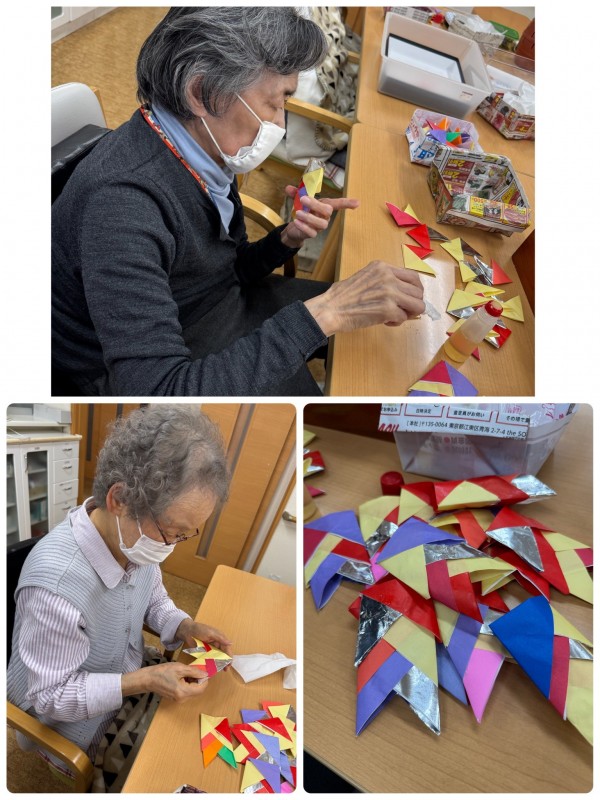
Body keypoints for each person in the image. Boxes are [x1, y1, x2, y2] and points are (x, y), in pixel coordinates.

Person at [51, 7, 425, 396]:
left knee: (382, 333)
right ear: (201, 92)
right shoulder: (122, 207)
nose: (280, 125)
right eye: (275, 102)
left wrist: (286, 239)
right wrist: (328, 312)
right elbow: (158, 391)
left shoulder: (200, 147)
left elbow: (222, 269)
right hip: (162, 362)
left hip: (208, 304)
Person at [7, 405, 232, 791]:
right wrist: (143, 680)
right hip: (71, 721)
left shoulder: (133, 540)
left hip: (125, 673)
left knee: (203, 722)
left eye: (186, 534)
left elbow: (153, 598)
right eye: (172, 531)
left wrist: (183, 625)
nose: (173, 545)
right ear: (119, 499)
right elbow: (48, 697)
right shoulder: (56, 588)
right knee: (169, 770)